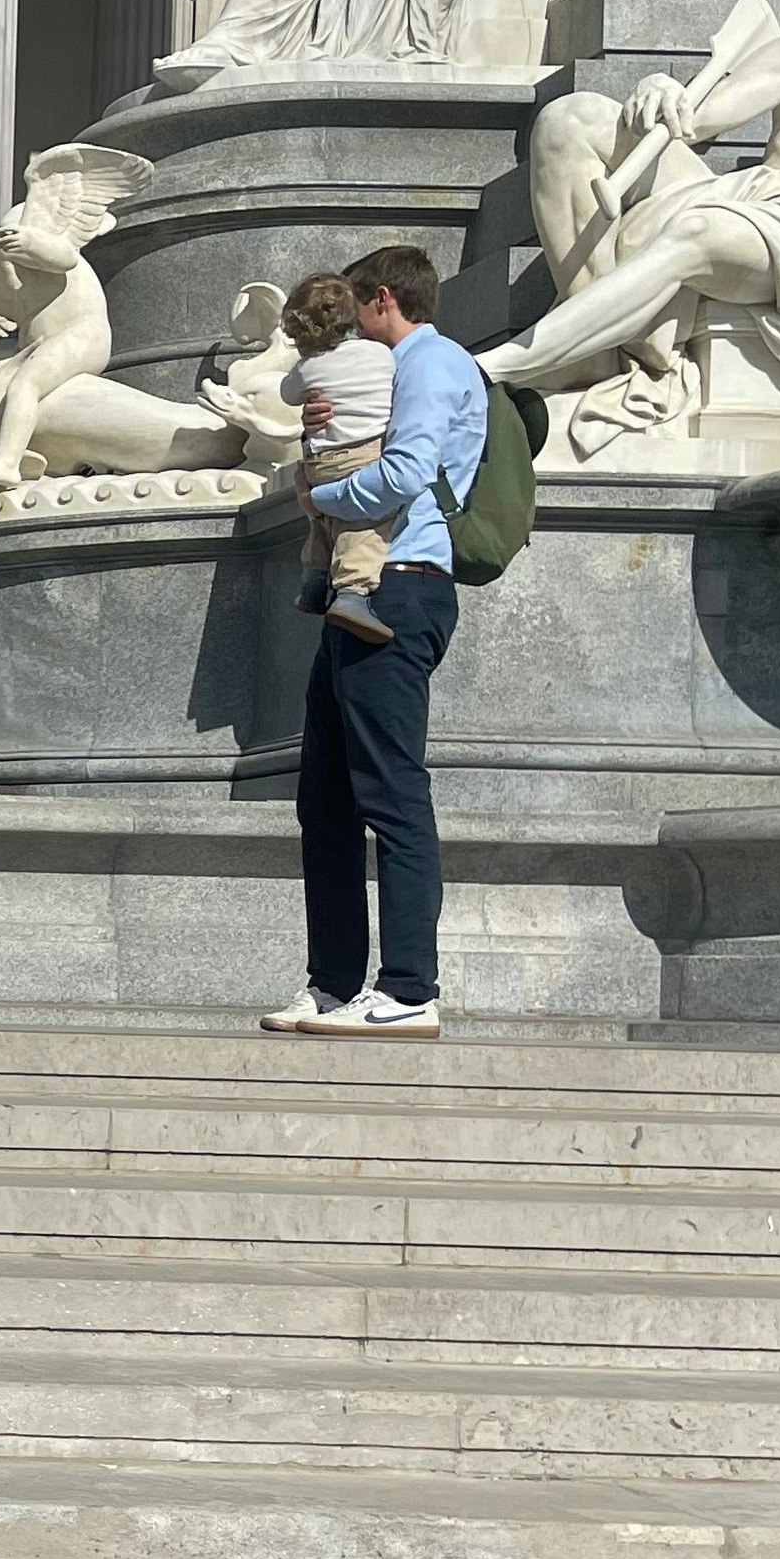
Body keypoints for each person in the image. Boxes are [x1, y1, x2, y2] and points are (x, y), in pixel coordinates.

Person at [267, 244, 484, 1043]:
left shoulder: (432, 364)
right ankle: (332, 984)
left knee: (391, 792)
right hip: (366, 585)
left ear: (381, 300)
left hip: (400, 581)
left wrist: (317, 492)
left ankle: (408, 988)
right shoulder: (389, 368)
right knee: (323, 796)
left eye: (354, 315)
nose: (345, 335)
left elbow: (405, 472)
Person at [278, 273, 397, 645]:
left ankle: (315, 580)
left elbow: (286, 394)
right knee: (364, 523)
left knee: (322, 518)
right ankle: (352, 592)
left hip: (318, 461)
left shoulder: (305, 370)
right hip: (364, 453)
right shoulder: (381, 353)